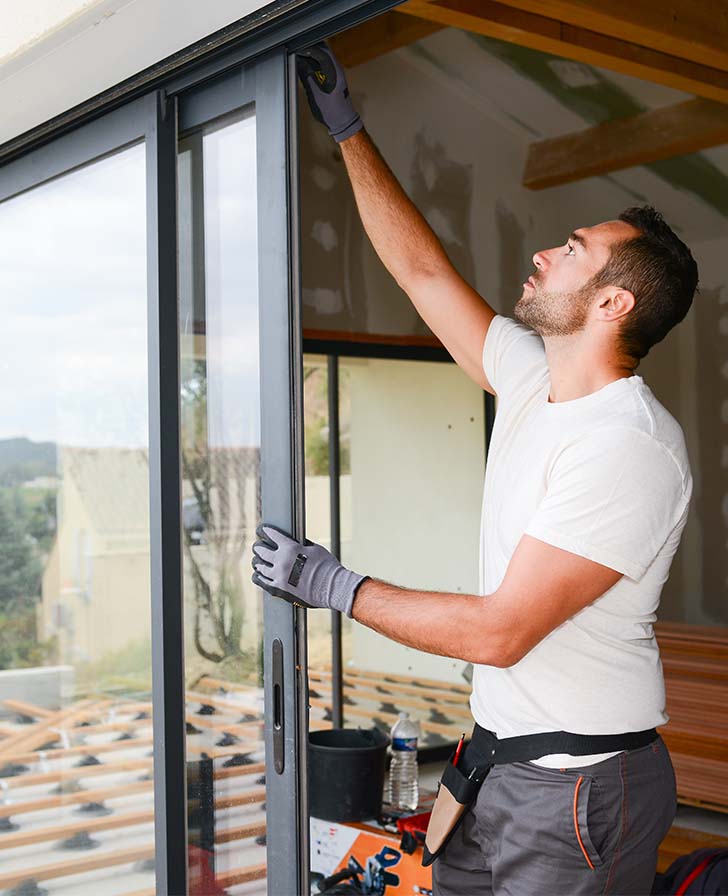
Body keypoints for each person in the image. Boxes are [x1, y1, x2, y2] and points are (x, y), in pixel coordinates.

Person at [251, 43, 699, 896]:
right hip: (494, 765)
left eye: (571, 249)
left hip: (577, 793)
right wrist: (348, 132)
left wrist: (334, 586)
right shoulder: (533, 375)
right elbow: (422, 272)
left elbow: (501, 631)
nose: (543, 254)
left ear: (613, 303)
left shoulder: (628, 446)